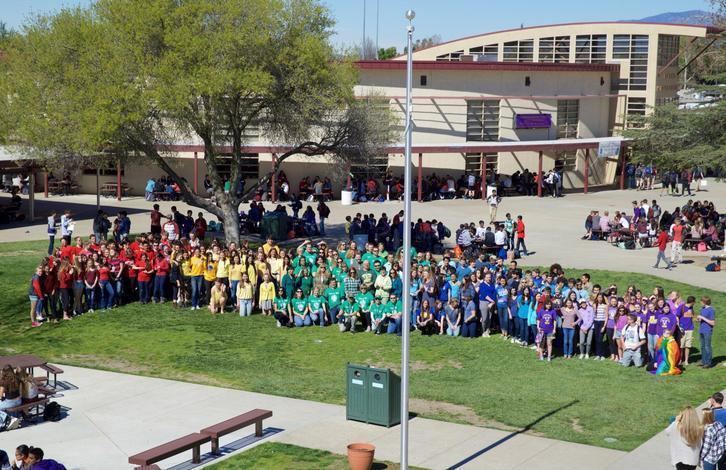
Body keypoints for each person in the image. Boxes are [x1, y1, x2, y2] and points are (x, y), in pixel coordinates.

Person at [0, 366, 22, 432]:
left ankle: (3, 424)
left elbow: (0, 395)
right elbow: (20, 392)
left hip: (10, 402)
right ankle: (11, 419)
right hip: (19, 401)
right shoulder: (17, 378)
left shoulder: (4, 381)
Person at [697, 296, 715, 368]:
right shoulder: (702, 309)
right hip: (701, 330)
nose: (700, 303)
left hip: (707, 331)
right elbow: (702, 319)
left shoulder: (711, 310)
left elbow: (713, 323)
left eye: (701, 302)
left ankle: (708, 362)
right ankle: (704, 361)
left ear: (705, 302)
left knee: (707, 346)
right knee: (702, 346)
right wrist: (699, 319)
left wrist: (703, 318)